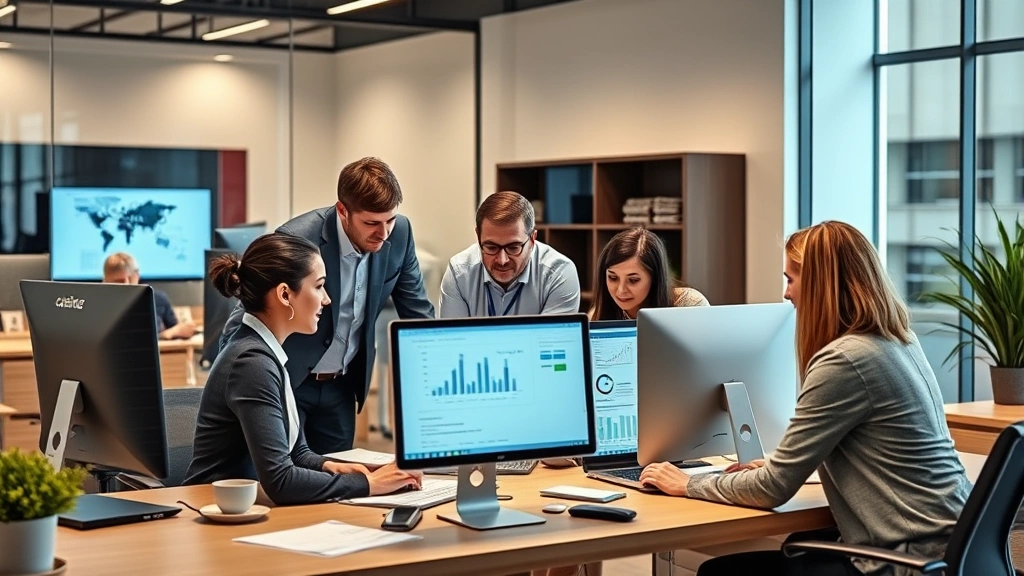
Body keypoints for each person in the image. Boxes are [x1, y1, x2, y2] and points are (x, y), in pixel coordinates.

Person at [639, 221, 972, 576]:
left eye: (791, 279)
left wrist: (687, 482)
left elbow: (772, 490)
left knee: (722, 572)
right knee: (794, 547)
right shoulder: (897, 341)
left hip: (906, 559)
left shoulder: (846, 359)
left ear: (820, 284)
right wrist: (780, 465)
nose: (786, 293)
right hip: (950, 548)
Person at [185, 233, 422, 505]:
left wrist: (335, 467)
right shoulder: (251, 363)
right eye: (319, 286)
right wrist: (369, 484)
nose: (327, 299)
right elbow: (281, 481)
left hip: (248, 507)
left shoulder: (268, 351)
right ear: (285, 294)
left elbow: (296, 453)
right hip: (216, 510)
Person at [222, 157, 435, 455]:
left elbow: (418, 310)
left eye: (390, 220)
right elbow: (247, 313)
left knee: (335, 483)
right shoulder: (296, 240)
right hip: (290, 379)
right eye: (371, 223)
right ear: (343, 211)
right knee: (286, 479)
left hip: (342, 384)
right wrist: (230, 377)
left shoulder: (399, 234)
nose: (384, 233)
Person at [439, 191, 580, 318]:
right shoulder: (459, 273)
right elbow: (455, 343)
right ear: (478, 237)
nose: (502, 260)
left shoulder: (559, 273)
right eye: (491, 247)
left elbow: (550, 344)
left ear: (532, 239)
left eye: (513, 248)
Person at [588, 227, 708, 320]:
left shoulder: (689, 305)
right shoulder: (597, 315)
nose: (621, 290)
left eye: (633, 280)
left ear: (655, 277)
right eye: (613, 278)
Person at [103, 252, 197, 340]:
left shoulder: (157, 299)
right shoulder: (98, 306)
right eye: (118, 282)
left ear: (137, 276)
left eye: (129, 279)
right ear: (105, 281)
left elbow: (176, 332)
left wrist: (182, 330)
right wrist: (164, 335)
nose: (126, 285)